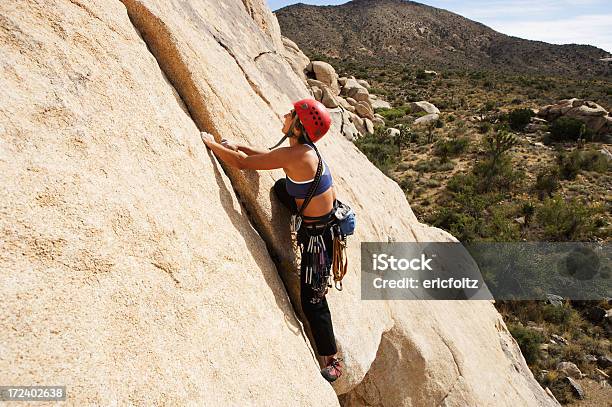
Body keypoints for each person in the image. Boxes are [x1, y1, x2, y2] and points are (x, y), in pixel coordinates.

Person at [200, 99, 343, 382]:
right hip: (322, 220)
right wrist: (239, 144)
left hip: (320, 239)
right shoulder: (303, 150)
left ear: (299, 126)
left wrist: (211, 143)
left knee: (313, 300)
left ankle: (333, 360)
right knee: (281, 188)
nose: (284, 114)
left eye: (290, 114)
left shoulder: (298, 156)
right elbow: (268, 156)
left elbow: (243, 165)